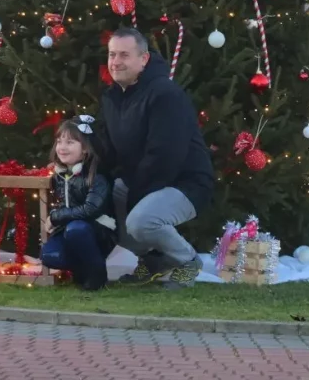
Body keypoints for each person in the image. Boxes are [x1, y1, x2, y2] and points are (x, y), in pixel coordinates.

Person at [96, 27, 215, 289]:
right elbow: (109, 151)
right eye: (112, 54)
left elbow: (165, 155)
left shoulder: (165, 94)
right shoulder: (112, 97)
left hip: (184, 183)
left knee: (141, 221)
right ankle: (154, 260)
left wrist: (135, 197)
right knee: (105, 208)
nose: (116, 62)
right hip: (141, 182)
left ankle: (188, 261)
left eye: (124, 55)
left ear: (144, 59)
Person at [41, 117, 117, 291]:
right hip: (69, 228)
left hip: (96, 230)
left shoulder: (96, 175)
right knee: (50, 255)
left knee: (76, 230)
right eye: (59, 141)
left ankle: (97, 274)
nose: (62, 147)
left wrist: (56, 217)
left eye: (70, 142)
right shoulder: (60, 174)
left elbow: (90, 209)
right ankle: (81, 270)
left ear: (85, 148)